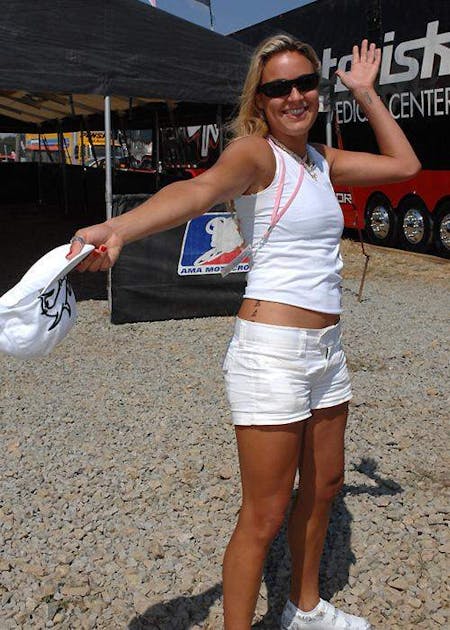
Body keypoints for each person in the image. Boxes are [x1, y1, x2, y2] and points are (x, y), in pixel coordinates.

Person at [68, 36, 420, 630]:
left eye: (305, 83)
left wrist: (365, 93)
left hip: (327, 352)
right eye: (279, 87)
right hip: (272, 355)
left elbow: (406, 166)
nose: (295, 96)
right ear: (260, 98)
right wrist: (119, 228)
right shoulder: (257, 155)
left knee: (326, 487)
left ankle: (304, 610)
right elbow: (199, 190)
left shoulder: (320, 160)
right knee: (264, 513)